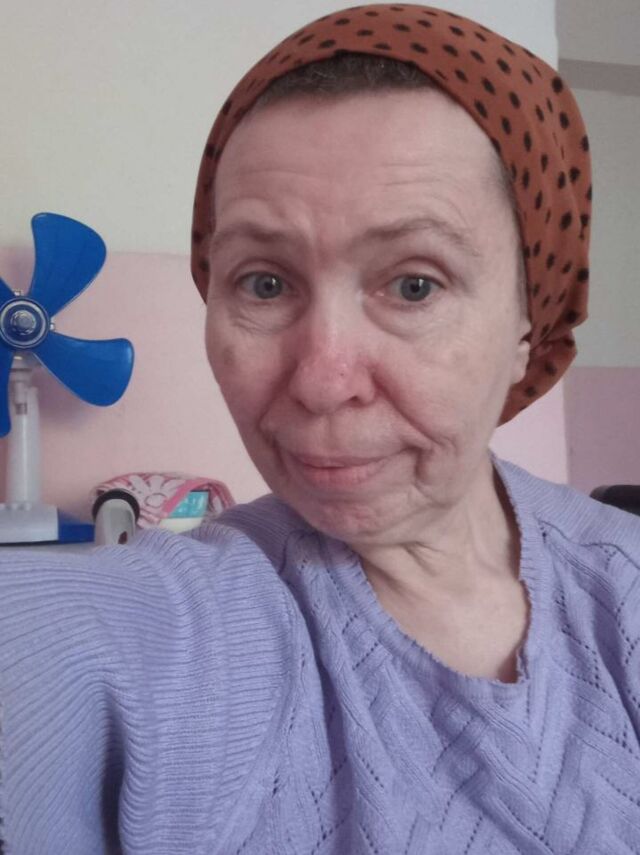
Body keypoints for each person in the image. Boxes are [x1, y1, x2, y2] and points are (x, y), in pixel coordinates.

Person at [2, 4, 639, 853]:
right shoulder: (197, 628)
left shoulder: (624, 585)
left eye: (413, 284)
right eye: (263, 284)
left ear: (530, 321)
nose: (320, 381)